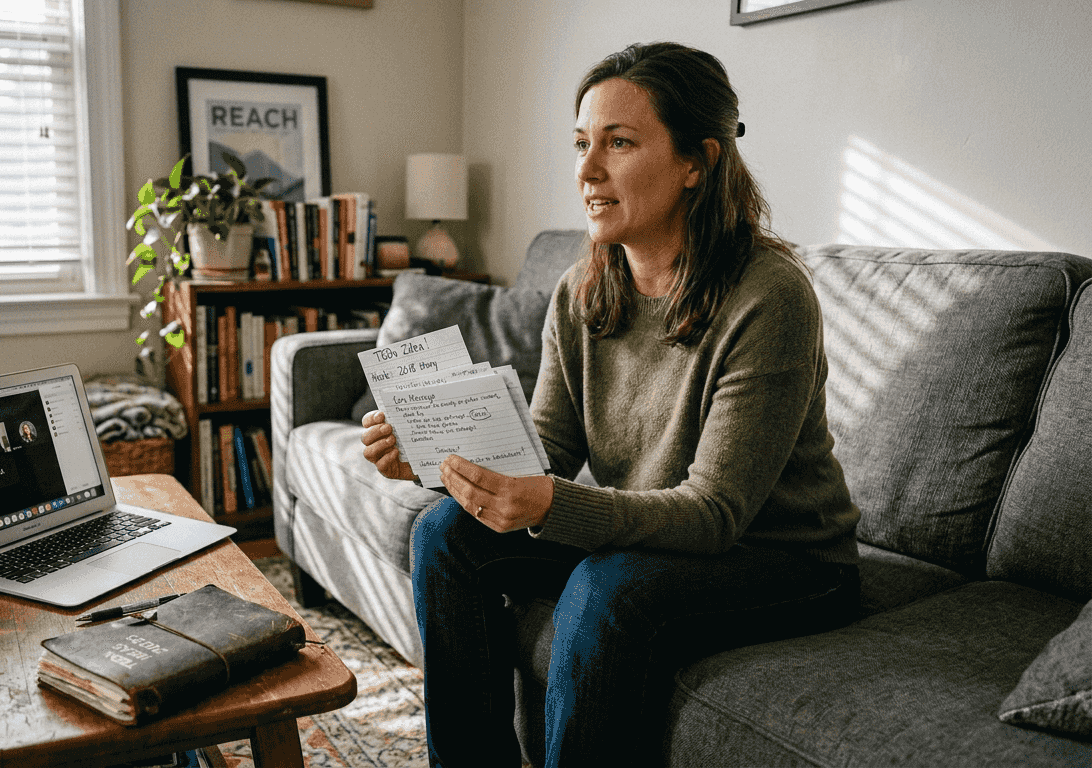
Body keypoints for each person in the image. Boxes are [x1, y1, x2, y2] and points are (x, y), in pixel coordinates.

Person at [361, 42, 861, 767]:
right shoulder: (584, 288)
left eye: (619, 143)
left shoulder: (769, 296)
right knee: (444, 536)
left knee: (608, 586)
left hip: (785, 558)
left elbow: (716, 512)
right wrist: (430, 453)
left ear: (697, 162)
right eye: (582, 144)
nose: (588, 171)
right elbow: (545, 451)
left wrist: (549, 506)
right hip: (663, 531)